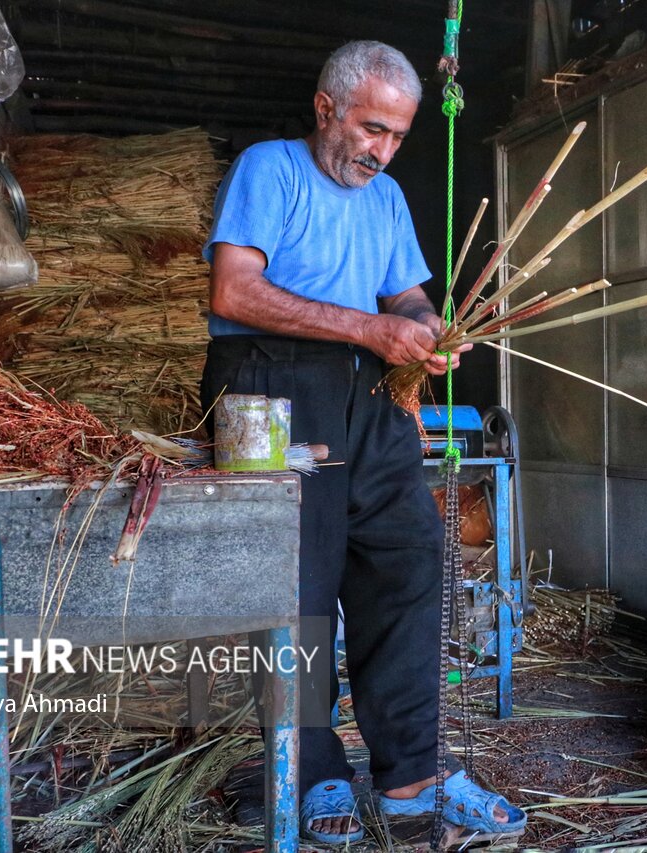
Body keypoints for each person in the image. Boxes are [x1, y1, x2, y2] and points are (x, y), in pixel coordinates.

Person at [199, 40, 526, 844]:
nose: (382, 151)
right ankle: (312, 773)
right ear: (325, 110)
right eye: (371, 129)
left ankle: (412, 775)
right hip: (271, 388)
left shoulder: (385, 201)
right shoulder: (268, 170)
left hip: (374, 397)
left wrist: (427, 332)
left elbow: (407, 296)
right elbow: (234, 289)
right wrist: (372, 328)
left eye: (398, 137)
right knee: (299, 589)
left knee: (408, 561)